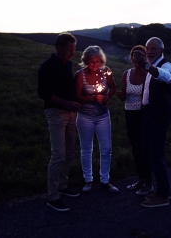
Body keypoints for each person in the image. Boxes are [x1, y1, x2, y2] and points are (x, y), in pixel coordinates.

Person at [37, 33, 82, 212]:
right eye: (69, 50)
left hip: (71, 113)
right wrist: (67, 103)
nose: (72, 53)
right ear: (59, 48)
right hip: (56, 113)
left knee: (69, 152)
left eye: (74, 50)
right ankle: (52, 195)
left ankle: (63, 185)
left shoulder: (68, 64)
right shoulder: (47, 67)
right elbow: (44, 94)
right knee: (58, 154)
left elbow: (68, 88)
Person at [74, 45, 119, 193]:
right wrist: (93, 97)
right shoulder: (80, 75)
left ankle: (105, 180)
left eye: (98, 61)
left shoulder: (106, 72)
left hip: (103, 116)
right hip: (85, 116)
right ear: (86, 60)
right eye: (92, 61)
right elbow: (76, 96)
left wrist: (107, 97)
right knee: (86, 148)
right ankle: (88, 180)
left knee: (106, 148)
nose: (95, 64)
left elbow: (113, 87)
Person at [139, 37, 171, 208]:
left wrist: (146, 66)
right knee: (149, 153)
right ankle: (164, 190)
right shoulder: (151, 67)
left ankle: (163, 195)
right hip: (148, 113)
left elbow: (166, 77)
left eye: (153, 48)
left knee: (155, 155)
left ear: (161, 50)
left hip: (158, 115)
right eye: (148, 48)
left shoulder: (166, 65)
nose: (150, 51)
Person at [116, 45, 153, 196]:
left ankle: (150, 183)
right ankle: (141, 179)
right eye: (134, 55)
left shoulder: (149, 74)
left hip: (143, 114)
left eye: (139, 55)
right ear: (131, 58)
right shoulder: (127, 73)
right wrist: (121, 96)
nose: (136, 57)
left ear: (145, 57)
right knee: (136, 148)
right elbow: (124, 94)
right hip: (130, 114)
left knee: (145, 148)